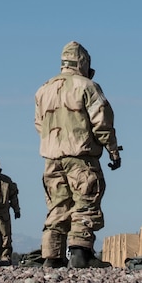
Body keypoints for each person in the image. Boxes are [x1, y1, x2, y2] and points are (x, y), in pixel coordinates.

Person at [34, 41, 122, 268]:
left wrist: (55, 143)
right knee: (85, 200)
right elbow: (102, 122)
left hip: (51, 159)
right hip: (81, 157)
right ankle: (80, 253)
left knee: (58, 205)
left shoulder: (43, 89)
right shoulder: (87, 86)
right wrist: (112, 150)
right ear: (83, 62)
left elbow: (39, 124)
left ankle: (52, 257)